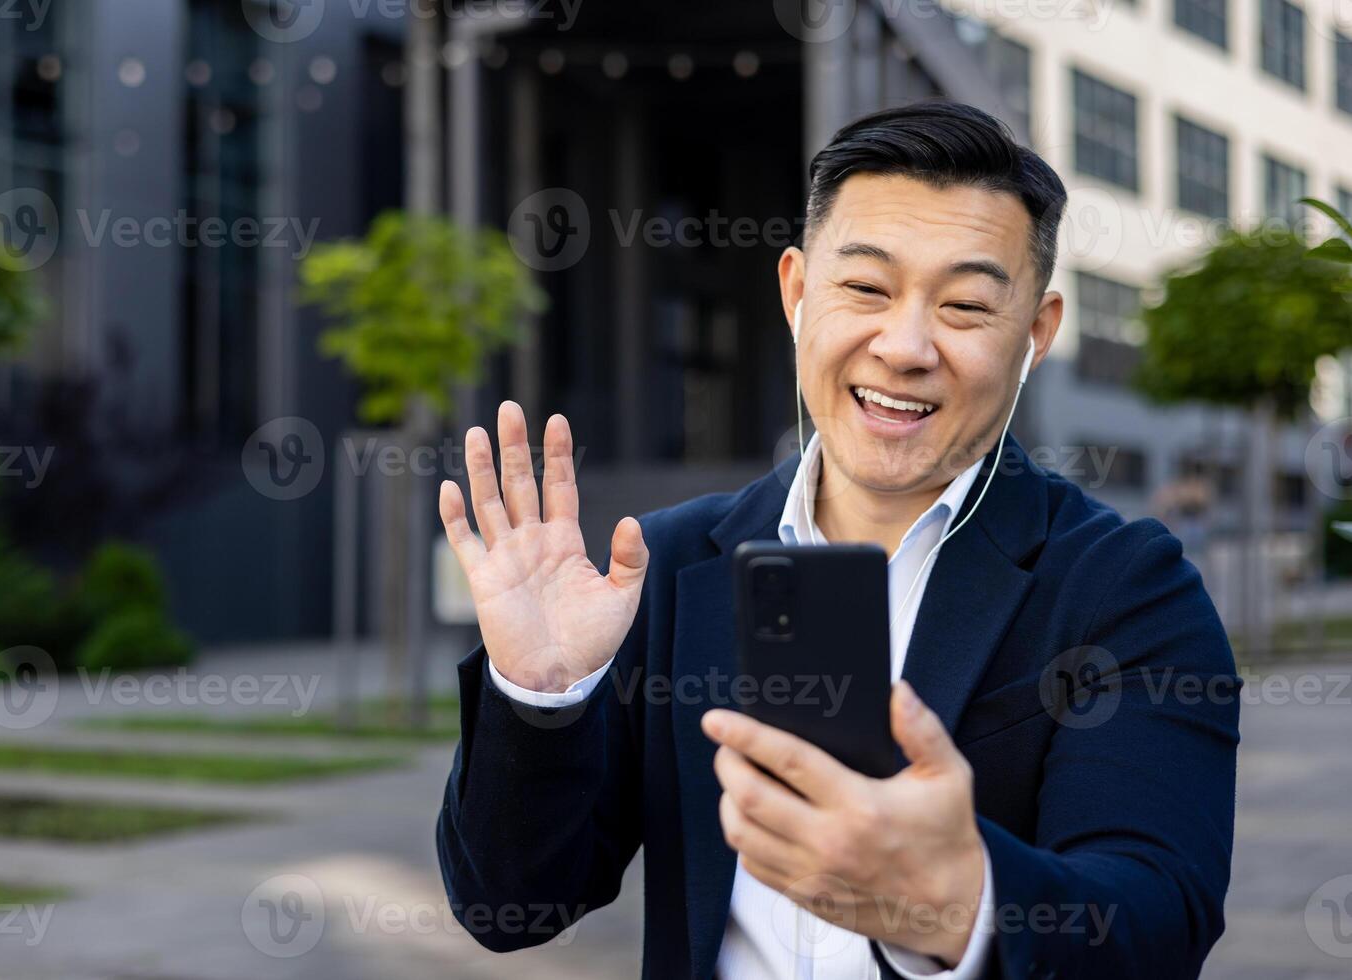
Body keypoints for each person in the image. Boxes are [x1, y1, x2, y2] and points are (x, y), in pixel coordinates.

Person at [434, 100, 1240, 979]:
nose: (903, 346)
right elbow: (510, 904)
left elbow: (1159, 914)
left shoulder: (1125, 589)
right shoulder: (668, 565)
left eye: (966, 304)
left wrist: (958, 906)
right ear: (795, 291)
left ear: (1035, 335)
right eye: (865, 287)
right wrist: (542, 697)